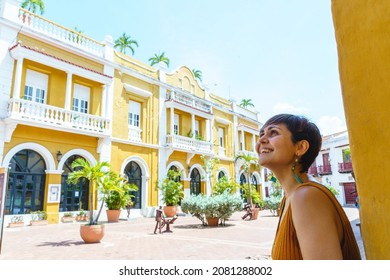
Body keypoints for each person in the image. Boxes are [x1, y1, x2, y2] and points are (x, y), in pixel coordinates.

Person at [255, 114, 361, 260]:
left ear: (300, 147)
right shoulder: (289, 198)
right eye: (261, 134)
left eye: (273, 132)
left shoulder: (306, 197)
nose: (261, 139)